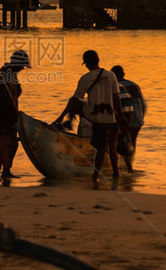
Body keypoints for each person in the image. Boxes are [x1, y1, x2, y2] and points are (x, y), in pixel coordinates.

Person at [53, 50, 126, 182]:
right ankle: (116, 174)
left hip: (96, 115)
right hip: (111, 116)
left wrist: (61, 116)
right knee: (111, 145)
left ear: (86, 64)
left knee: (101, 147)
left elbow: (75, 99)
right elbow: (116, 98)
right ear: (98, 60)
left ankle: (95, 177)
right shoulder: (111, 75)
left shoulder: (86, 78)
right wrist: (120, 117)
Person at [0, 50, 30, 179]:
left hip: (5, 116)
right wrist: (13, 115)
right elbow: (5, 98)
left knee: (0, 142)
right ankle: (2, 171)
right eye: (22, 65)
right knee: (8, 144)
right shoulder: (5, 74)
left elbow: (16, 93)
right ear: (16, 64)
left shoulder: (10, 74)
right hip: (3, 116)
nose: (23, 68)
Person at [110, 65, 146, 172]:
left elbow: (117, 103)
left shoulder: (117, 86)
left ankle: (127, 167)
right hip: (138, 118)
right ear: (123, 74)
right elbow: (143, 104)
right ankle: (129, 165)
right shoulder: (134, 85)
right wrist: (141, 117)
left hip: (126, 117)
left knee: (122, 140)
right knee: (132, 142)